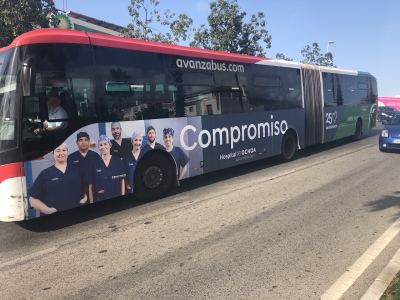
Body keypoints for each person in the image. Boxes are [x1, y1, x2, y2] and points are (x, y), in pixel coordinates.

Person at [29, 143, 86, 215]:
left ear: (67, 153)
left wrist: (85, 198)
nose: (61, 153)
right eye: (58, 151)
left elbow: (86, 187)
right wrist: (46, 210)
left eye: (64, 150)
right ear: (53, 155)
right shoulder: (45, 174)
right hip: (54, 219)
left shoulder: (77, 170)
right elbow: (33, 199)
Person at [67, 132, 105, 204]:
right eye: (81, 140)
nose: (83, 142)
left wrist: (101, 188)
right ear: (77, 143)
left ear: (89, 142)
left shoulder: (95, 156)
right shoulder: (71, 158)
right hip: (77, 194)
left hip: (95, 193)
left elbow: (101, 174)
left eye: (85, 140)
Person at [96, 135, 126, 201]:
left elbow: (122, 181)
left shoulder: (117, 161)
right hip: (101, 199)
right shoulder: (96, 163)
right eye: (100, 145)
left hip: (116, 197)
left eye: (105, 144)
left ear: (110, 145)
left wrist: (122, 198)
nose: (103, 147)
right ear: (98, 147)